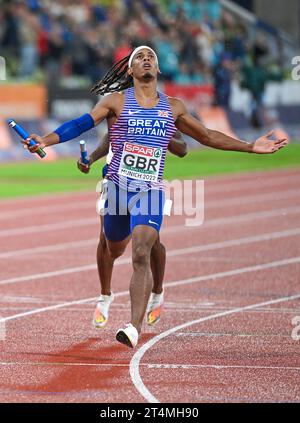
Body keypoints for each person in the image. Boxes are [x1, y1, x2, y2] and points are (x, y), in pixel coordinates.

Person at [23, 45, 287, 348]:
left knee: (141, 251)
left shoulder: (173, 107)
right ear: (131, 70)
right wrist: (46, 138)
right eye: (140, 57)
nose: (146, 59)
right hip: (116, 190)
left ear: (158, 70)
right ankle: (110, 293)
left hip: (149, 190)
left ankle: (133, 327)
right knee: (114, 246)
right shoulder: (116, 102)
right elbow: (81, 123)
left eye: (152, 58)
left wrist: (250, 146)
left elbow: (207, 136)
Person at [77, 131, 187, 329]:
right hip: (114, 180)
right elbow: (109, 135)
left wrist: (161, 136)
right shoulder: (119, 105)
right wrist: (91, 158)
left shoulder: (162, 109)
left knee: (150, 243)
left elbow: (182, 147)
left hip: (146, 184)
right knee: (107, 241)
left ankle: (157, 292)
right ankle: (105, 296)